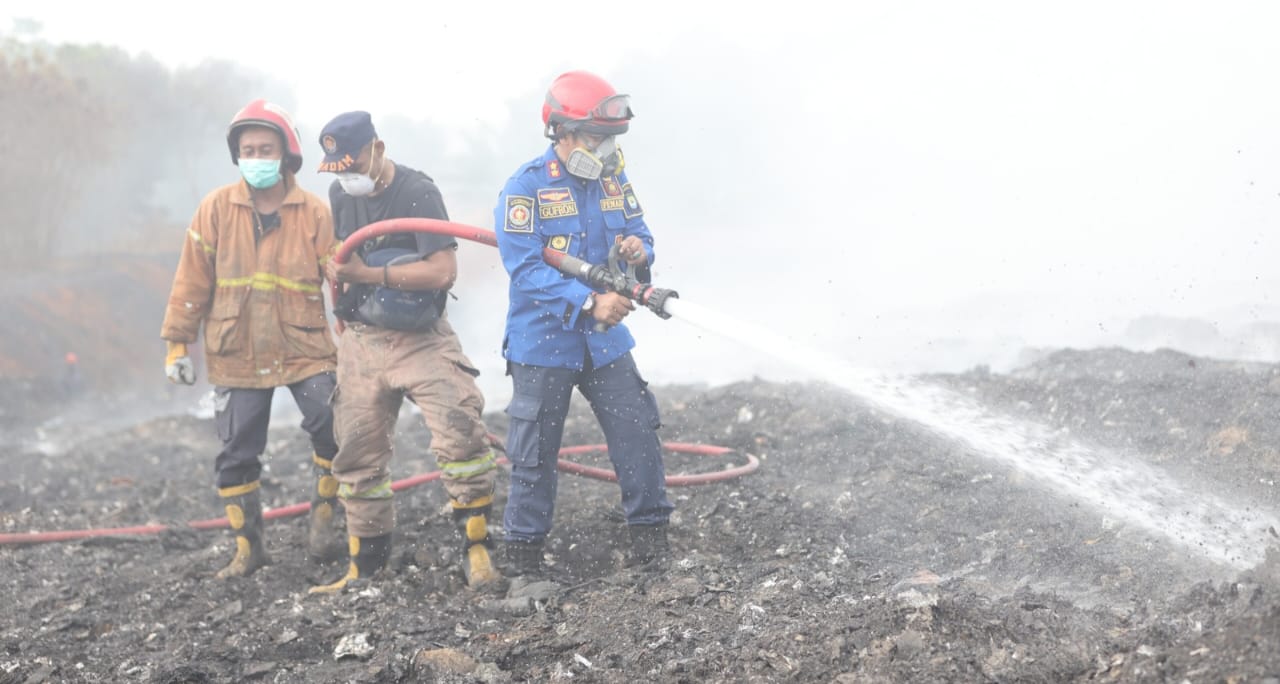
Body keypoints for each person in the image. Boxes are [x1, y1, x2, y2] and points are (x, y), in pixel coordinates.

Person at [493, 70, 674, 581]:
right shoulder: (525, 188)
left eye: (610, 138)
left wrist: (640, 251)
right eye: (596, 138)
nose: (606, 148)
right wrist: (588, 303)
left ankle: (652, 547)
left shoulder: (613, 180)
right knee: (534, 455)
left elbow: (640, 232)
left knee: (637, 430)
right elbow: (526, 269)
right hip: (542, 342)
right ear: (563, 132)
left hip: (606, 341)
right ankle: (524, 564)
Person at [311, 111, 500, 593]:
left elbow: (442, 272)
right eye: (340, 172)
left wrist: (370, 276)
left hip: (420, 338)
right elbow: (341, 256)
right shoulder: (340, 196)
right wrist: (338, 285)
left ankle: (477, 551)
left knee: (461, 435)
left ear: (378, 148)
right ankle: (365, 568)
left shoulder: (418, 192)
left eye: (354, 167)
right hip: (361, 339)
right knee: (357, 455)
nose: (348, 180)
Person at [160, 99, 344, 579]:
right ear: (236, 154)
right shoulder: (216, 209)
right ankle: (249, 549)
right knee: (237, 451)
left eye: (266, 148)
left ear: (287, 154)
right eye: (248, 149)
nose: (257, 156)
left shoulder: (315, 213)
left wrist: (363, 344)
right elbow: (191, 280)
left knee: (333, 425)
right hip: (237, 350)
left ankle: (325, 521)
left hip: (304, 348)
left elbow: (341, 283)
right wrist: (178, 343)